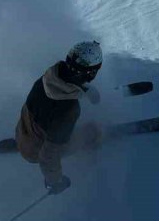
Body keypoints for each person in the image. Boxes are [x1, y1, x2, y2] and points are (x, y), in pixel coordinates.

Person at [13, 41, 104, 195]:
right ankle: (93, 143)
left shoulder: (48, 77)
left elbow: (70, 78)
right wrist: (54, 181)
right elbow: (48, 155)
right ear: (91, 73)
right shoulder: (68, 110)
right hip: (35, 151)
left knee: (57, 128)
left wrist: (85, 89)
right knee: (92, 131)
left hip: (22, 132)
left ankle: (29, 143)